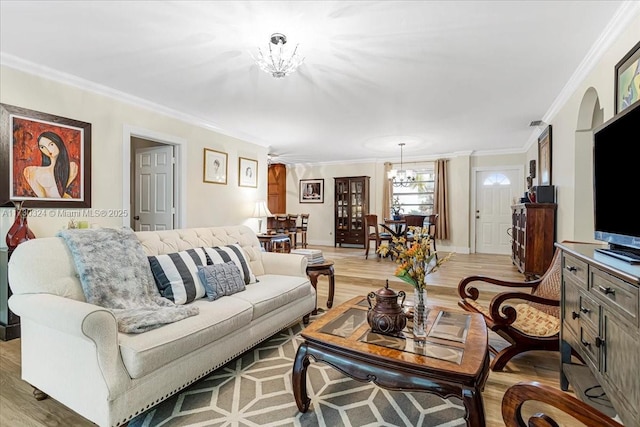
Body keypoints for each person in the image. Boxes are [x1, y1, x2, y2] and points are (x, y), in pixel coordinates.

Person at [23, 131, 78, 199]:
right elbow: (42, 199)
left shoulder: (72, 167)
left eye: (51, 144)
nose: (48, 150)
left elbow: (60, 193)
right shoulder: (32, 171)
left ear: (58, 143)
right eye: (43, 147)